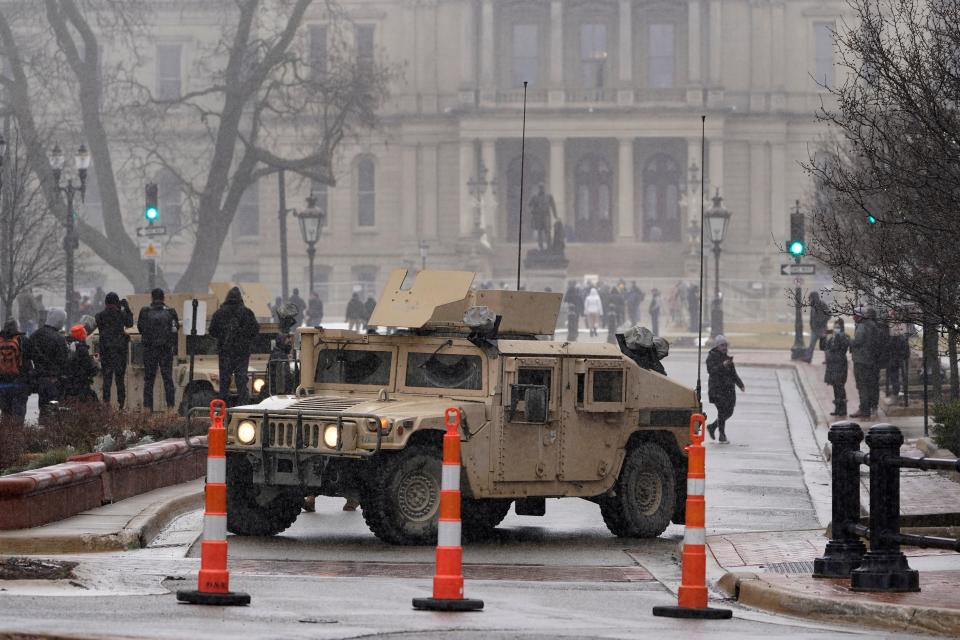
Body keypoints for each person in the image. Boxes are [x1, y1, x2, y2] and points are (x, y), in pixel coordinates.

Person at [209, 286, 260, 406]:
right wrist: (244, 337)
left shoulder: (219, 313)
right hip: (242, 352)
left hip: (225, 352)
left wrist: (223, 335)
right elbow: (255, 330)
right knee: (241, 381)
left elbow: (212, 331)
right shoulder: (247, 313)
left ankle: (222, 408)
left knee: (224, 382)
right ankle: (243, 407)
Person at [137, 289, 179, 412]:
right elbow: (175, 329)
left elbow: (140, 328)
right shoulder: (171, 312)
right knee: (168, 379)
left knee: (149, 380)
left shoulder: (145, 312)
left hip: (150, 350)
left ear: (152, 297)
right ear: (163, 298)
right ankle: (170, 409)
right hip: (165, 350)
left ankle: (147, 409)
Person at [25, 307, 69, 419]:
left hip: (39, 379)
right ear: (59, 321)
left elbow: (27, 356)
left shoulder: (35, 335)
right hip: (54, 379)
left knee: (43, 408)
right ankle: (50, 432)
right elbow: (64, 361)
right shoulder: (59, 339)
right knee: (53, 409)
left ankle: (44, 428)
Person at [95, 292, 134, 408]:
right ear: (117, 302)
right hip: (119, 351)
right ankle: (121, 404)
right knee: (119, 380)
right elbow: (130, 323)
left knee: (107, 380)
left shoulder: (99, 316)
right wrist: (126, 308)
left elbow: (102, 328)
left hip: (106, 351)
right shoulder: (121, 314)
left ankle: (106, 403)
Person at [706, 335, 745, 444]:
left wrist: (740, 384)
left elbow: (733, 374)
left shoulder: (728, 358)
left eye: (726, 345)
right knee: (722, 411)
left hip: (728, 390)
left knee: (729, 411)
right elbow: (711, 371)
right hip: (717, 390)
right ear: (717, 346)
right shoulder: (711, 357)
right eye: (722, 345)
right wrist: (722, 365)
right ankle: (722, 435)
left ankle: (712, 426)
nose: (724, 347)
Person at [849, 307, 880, 419]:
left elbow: (858, 341)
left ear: (859, 316)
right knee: (870, 385)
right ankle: (868, 407)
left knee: (862, 385)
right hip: (871, 360)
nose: (853, 317)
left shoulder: (862, 327)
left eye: (854, 315)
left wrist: (849, 341)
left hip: (862, 361)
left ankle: (864, 410)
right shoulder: (872, 325)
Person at [0, 319, 30, 425]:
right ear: (17, 327)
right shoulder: (23, 340)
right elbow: (28, 362)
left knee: (5, 412)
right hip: (19, 383)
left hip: (3, 384)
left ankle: (6, 438)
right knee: (18, 414)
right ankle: (17, 437)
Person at [821, 318, 850, 416]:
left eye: (837, 327)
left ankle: (843, 409)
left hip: (840, 364)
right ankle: (837, 408)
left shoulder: (844, 337)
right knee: (835, 386)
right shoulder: (832, 338)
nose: (835, 329)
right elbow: (823, 347)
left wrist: (838, 336)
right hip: (832, 365)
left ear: (841, 328)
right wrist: (823, 337)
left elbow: (840, 348)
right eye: (834, 327)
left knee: (840, 386)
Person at [63, 325, 99, 404]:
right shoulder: (82, 349)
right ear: (82, 335)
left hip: (70, 384)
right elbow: (89, 368)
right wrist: (95, 362)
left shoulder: (69, 346)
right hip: (81, 384)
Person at [887, 315, 911, 397]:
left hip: (895, 358)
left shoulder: (892, 337)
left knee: (895, 375)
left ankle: (896, 391)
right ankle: (902, 390)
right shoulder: (903, 336)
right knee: (901, 375)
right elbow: (906, 349)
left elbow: (889, 347)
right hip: (899, 357)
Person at [528, 184, 557, 251]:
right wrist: (532, 212)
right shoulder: (534, 197)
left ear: (544, 188)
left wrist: (555, 215)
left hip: (546, 216)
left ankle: (549, 246)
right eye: (540, 188)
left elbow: (553, 206)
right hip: (538, 217)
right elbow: (529, 205)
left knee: (547, 231)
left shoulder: (549, 196)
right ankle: (540, 246)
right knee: (540, 232)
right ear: (538, 188)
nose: (541, 189)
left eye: (542, 187)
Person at [805, 292, 830, 363]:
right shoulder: (812, 306)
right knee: (811, 345)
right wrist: (811, 325)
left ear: (814, 297)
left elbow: (828, 315)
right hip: (814, 329)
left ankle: (828, 359)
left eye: (810, 298)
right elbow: (811, 317)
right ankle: (808, 358)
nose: (809, 300)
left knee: (825, 346)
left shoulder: (823, 304)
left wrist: (822, 322)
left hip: (823, 329)